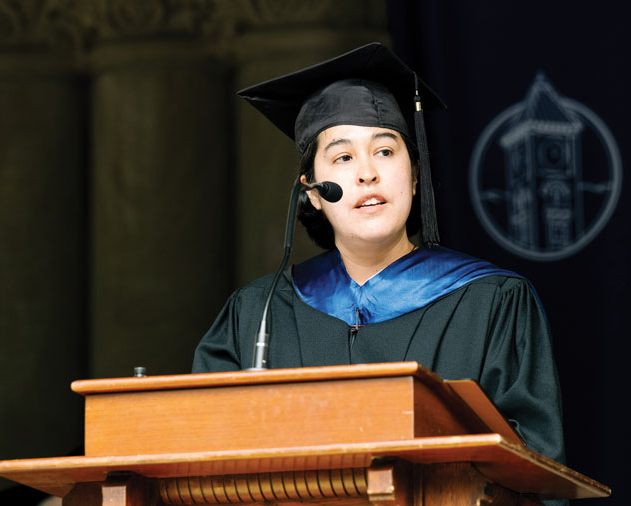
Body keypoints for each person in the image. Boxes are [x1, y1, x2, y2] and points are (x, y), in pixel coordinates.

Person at [191, 43, 566, 500]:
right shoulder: (254, 315)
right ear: (311, 191)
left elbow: (534, 475)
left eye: (385, 151)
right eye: (343, 158)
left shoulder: (492, 303)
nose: (367, 173)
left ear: (413, 176)